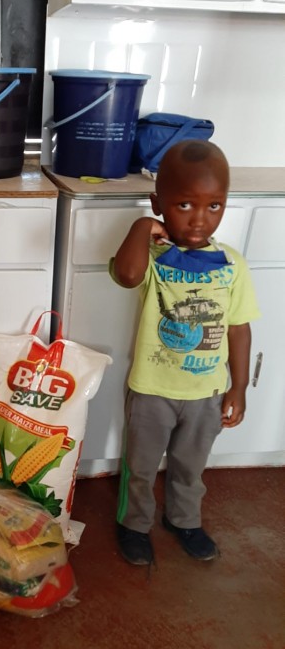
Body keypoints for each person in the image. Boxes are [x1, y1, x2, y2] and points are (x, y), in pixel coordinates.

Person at [110, 139, 260, 566]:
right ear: (160, 204)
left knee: (191, 465)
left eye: (214, 206)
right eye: (184, 205)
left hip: (206, 392)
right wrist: (143, 225)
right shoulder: (153, 256)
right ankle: (134, 524)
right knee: (140, 466)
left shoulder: (232, 264)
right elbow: (127, 275)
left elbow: (239, 328)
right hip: (152, 389)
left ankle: (184, 519)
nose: (199, 219)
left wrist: (239, 387)